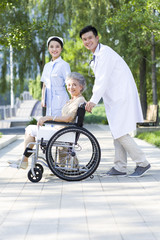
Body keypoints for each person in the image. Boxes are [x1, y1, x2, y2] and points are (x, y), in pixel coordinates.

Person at [79, 25, 151, 177]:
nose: (87, 41)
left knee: (120, 132)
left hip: (122, 96)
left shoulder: (105, 53)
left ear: (97, 38)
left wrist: (92, 101)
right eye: (84, 39)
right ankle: (120, 166)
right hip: (115, 98)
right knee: (117, 131)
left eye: (90, 38)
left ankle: (142, 162)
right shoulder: (97, 56)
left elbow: (102, 80)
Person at [8, 72, 86, 169]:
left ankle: (24, 160)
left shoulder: (79, 100)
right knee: (32, 129)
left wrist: (48, 118)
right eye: (69, 85)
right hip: (62, 130)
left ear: (81, 87)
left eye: (74, 85)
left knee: (30, 129)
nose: (71, 87)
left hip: (63, 132)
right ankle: (24, 159)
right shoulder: (73, 100)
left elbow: (68, 119)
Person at [41, 36, 71, 116]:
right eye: (51, 47)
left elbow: (70, 83)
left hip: (61, 99)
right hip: (49, 100)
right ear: (48, 49)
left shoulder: (64, 65)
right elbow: (44, 85)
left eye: (57, 46)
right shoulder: (46, 66)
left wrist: (73, 101)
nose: (54, 49)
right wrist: (43, 99)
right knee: (49, 123)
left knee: (60, 125)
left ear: (61, 48)